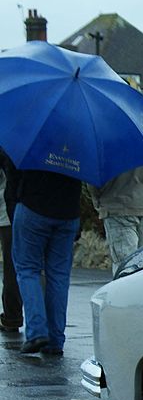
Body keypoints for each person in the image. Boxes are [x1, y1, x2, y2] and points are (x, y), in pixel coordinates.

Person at [11, 168, 83, 356]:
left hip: (33, 205)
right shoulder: (80, 142)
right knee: (59, 276)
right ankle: (56, 340)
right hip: (68, 211)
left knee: (28, 270)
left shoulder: (33, 139)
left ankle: (36, 332)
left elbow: (13, 170)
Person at [91, 138, 143, 276]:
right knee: (138, 268)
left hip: (117, 206)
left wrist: (98, 200)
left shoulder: (106, 132)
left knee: (124, 269)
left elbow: (95, 172)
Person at [0, 149, 22, 334]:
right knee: (12, 266)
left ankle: (12, 317)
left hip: (7, 213)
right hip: (13, 213)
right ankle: (12, 317)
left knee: (11, 267)